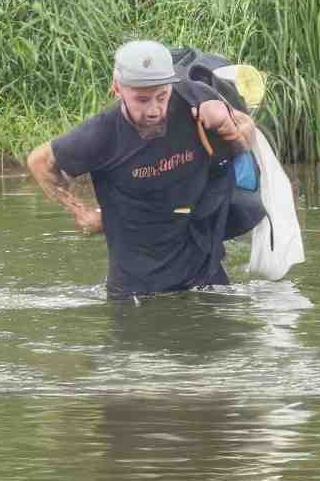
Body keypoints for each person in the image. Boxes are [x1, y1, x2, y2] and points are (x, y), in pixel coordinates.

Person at [26, 39, 255, 298]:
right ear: (117, 89)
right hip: (137, 286)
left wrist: (233, 127)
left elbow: (247, 132)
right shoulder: (101, 135)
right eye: (142, 100)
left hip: (203, 268)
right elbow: (39, 162)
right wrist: (82, 211)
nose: (154, 110)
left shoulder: (194, 96)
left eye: (161, 96)